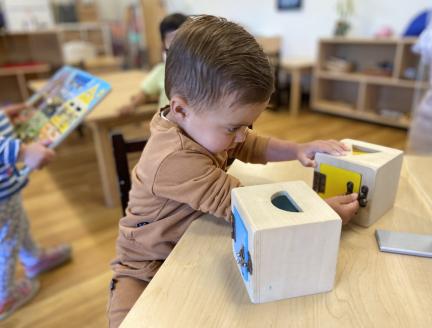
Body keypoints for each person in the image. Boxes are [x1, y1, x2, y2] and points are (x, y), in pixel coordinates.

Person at [108, 15, 359, 327]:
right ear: (181, 108)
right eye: (234, 126)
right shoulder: (173, 159)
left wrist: (297, 149)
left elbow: (252, 146)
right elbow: (247, 208)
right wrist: (320, 211)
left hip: (191, 249)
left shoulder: (203, 128)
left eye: (248, 124)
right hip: (144, 269)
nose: (242, 135)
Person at [0, 103, 72, 321]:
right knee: (8, 239)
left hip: (5, 191)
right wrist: (22, 152)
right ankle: (5, 295)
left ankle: (33, 257)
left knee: (18, 223)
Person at [118, 13, 188, 115]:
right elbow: (144, 92)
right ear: (163, 44)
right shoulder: (162, 70)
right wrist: (132, 105)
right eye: (171, 40)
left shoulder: (198, 71)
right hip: (164, 123)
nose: (177, 45)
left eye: (181, 39)